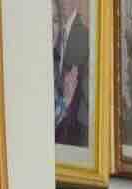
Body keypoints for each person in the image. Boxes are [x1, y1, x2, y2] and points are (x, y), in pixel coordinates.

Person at [55, 0, 88, 147]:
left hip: (71, 125)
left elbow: (74, 85)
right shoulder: (58, 30)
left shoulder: (82, 34)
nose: (62, 2)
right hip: (59, 118)